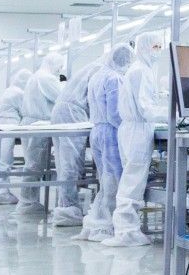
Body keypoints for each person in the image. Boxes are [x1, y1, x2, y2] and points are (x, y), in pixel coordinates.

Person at [103, 33, 166, 248]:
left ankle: (125, 228)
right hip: (137, 129)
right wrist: (173, 114)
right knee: (133, 180)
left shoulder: (143, 69)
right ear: (144, 47)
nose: (157, 51)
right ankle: (126, 232)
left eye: (160, 47)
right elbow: (145, 108)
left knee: (131, 178)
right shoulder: (140, 71)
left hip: (133, 128)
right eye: (154, 46)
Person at [77, 45, 133, 242]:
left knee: (104, 179)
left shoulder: (97, 76)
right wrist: (129, 126)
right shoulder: (114, 79)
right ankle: (111, 224)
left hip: (97, 131)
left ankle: (98, 222)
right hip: (111, 132)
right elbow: (115, 113)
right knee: (115, 181)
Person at [48, 56, 106, 227]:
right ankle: (68, 209)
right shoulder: (101, 71)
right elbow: (98, 100)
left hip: (63, 111)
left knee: (64, 163)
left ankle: (67, 207)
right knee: (70, 164)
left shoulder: (94, 65)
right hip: (73, 114)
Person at [16, 53, 65, 215]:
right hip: (38, 124)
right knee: (34, 165)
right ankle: (28, 203)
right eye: (60, 66)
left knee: (32, 164)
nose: (60, 69)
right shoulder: (47, 78)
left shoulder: (36, 76)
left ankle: (28, 202)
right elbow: (63, 98)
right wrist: (66, 84)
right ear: (53, 63)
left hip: (30, 123)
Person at [0, 69, 32, 204]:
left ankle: (1, 191)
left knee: (3, 157)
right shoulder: (18, 93)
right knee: (5, 159)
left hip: (2, 125)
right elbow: (27, 111)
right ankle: (2, 192)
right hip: (10, 125)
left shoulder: (9, 90)